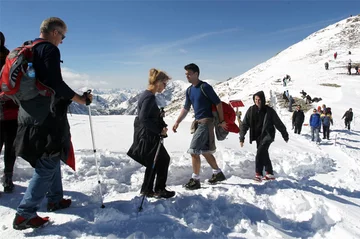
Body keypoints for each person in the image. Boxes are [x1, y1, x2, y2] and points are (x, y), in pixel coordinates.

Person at [12, 17, 93, 230]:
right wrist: (81, 99)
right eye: (63, 36)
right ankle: (25, 214)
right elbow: (55, 83)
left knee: (52, 155)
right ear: (55, 32)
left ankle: (55, 198)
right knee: (48, 160)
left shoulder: (28, 48)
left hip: (27, 115)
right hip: (45, 117)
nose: (63, 41)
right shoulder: (49, 49)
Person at [172, 63, 227, 190]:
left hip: (206, 122)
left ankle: (195, 180)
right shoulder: (189, 90)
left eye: (189, 74)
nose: (187, 77)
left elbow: (218, 103)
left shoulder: (205, 87)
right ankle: (217, 173)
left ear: (196, 74)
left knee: (194, 150)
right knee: (205, 151)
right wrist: (177, 122)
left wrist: (221, 120)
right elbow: (186, 108)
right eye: (186, 74)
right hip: (199, 123)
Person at [127, 68, 175, 199]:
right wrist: (159, 130)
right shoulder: (149, 97)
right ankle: (159, 189)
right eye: (164, 84)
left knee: (153, 161)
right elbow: (143, 118)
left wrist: (159, 119)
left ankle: (147, 189)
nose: (165, 87)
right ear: (158, 82)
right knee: (163, 159)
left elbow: (148, 116)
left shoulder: (148, 95)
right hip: (148, 136)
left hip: (147, 135)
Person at [239, 91, 289, 181]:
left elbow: (278, 123)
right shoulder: (251, 110)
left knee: (260, 152)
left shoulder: (269, 111)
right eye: (255, 99)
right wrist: (242, 137)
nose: (257, 101)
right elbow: (244, 124)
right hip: (257, 136)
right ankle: (269, 173)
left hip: (268, 135)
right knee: (263, 152)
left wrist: (284, 134)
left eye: (259, 99)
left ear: (263, 100)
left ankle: (258, 173)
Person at [0, 32, 19, 193]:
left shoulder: (9, 58)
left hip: (8, 110)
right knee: (10, 147)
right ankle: (8, 177)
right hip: (11, 109)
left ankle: (8, 177)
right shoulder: (11, 58)